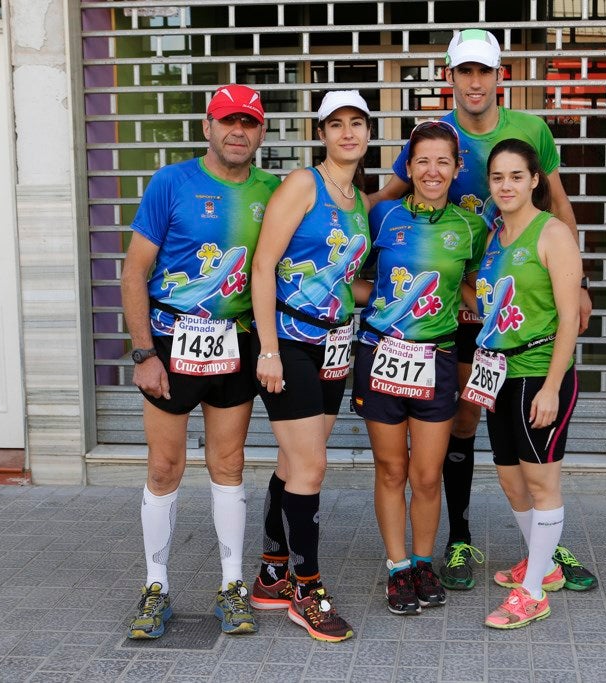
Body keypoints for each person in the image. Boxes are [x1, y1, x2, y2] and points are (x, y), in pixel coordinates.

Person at [370, 28, 596, 593]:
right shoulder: (436, 136)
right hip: (458, 301)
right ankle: (460, 537)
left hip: (506, 297)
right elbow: (386, 198)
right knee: (465, 420)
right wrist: (324, 206)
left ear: (500, 75)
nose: (475, 82)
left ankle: (544, 544)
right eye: (464, 71)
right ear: (449, 75)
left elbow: (559, 202)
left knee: (518, 433)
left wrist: (579, 283)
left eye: (484, 71)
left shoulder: (531, 130)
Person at [121, 84, 279, 639]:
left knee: (228, 465)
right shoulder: (172, 182)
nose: (238, 131)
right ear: (207, 126)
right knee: (164, 468)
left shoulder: (272, 190)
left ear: (261, 132)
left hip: (235, 342)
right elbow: (134, 272)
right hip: (170, 343)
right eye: (227, 120)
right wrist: (144, 353)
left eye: (249, 122)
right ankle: (155, 585)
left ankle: (232, 585)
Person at [248, 90, 372, 643]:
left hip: (335, 344)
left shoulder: (359, 199)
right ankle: (307, 589)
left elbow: (345, 279)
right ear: (320, 133)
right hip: (290, 343)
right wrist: (268, 349)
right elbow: (263, 266)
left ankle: (272, 572)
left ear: (368, 132)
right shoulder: (303, 184)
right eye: (335, 124)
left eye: (356, 123)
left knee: (294, 462)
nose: (347, 133)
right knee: (311, 467)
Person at [352, 120, 487, 616]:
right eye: (423, 161)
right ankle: (398, 566)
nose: (432, 170)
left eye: (442, 161)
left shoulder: (471, 227)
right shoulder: (381, 215)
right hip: (381, 355)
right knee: (392, 470)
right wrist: (378, 298)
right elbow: (346, 270)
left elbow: (475, 288)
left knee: (427, 475)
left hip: (438, 360)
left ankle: (424, 563)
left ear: (456, 168)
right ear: (408, 167)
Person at [472, 138, 582, 628]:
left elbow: (569, 318)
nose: (506, 185)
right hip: (498, 374)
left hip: (538, 374)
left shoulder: (552, 233)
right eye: (498, 177)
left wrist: (552, 386)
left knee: (541, 483)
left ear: (535, 180)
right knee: (510, 479)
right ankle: (545, 564)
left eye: (516, 176)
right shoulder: (494, 236)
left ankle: (534, 592)